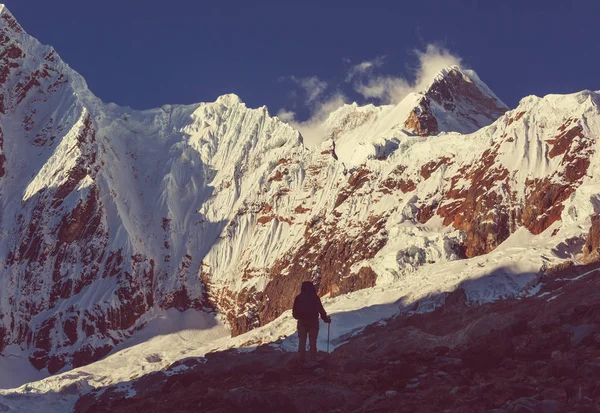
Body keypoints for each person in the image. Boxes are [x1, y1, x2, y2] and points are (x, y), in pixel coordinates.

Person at [292, 281, 331, 363]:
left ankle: (301, 359)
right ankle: (313, 359)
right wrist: (326, 319)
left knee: (302, 341)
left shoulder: (298, 298)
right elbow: (321, 310)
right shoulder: (315, 297)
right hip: (313, 322)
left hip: (302, 322)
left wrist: (299, 317)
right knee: (313, 341)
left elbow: (294, 312)